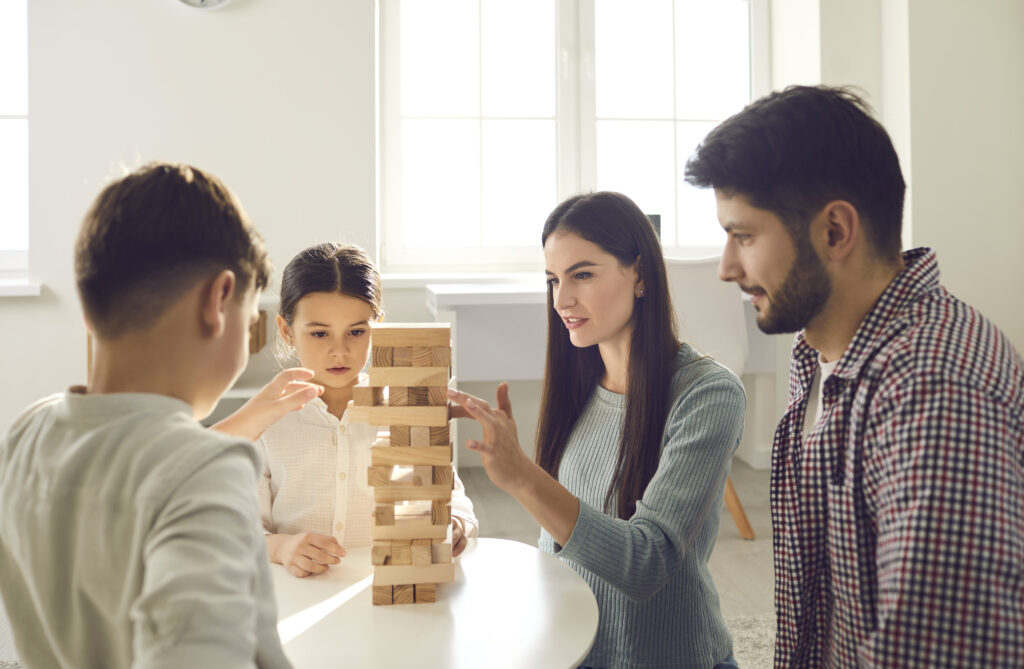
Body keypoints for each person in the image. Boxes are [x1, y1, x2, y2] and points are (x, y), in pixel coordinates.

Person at [684, 85, 1024, 667]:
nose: (726, 268)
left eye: (743, 236)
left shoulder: (932, 394)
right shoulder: (817, 345)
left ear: (835, 232)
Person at [0, 162, 295, 668]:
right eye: (249, 325)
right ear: (218, 300)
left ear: (89, 310)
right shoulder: (204, 470)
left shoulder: (25, 433)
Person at [447, 191, 746, 669]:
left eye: (582, 274)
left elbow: (646, 563)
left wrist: (523, 477)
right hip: (573, 650)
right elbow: (562, 540)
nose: (562, 299)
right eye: (552, 279)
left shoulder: (708, 394)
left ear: (641, 274)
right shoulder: (579, 383)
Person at [259, 242, 478, 578]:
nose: (339, 350)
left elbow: (453, 497)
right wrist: (280, 546)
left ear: (379, 327)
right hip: (295, 594)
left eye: (357, 332)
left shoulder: (406, 406)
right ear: (287, 331)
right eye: (319, 333)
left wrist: (456, 526)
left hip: (384, 592)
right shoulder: (265, 419)